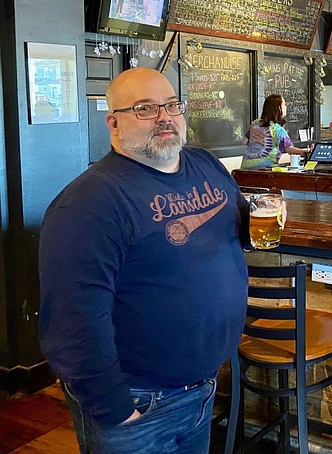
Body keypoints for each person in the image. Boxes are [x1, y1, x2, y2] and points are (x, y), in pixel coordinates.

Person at [38, 68, 250, 454]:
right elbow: (72, 321)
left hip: (202, 388)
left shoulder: (206, 165)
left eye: (171, 105)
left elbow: (236, 228)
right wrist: (117, 411)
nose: (164, 117)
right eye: (145, 109)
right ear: (113, 122)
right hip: (138, 405)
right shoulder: (88, 205)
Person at [241, 94, 308, 169]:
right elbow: (289, 149)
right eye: (284, 104)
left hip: (245, 167)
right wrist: (306, 153)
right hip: (263, 169)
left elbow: (244, 141)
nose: (286, 107)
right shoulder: (277, 130)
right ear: (279, 108)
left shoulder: (255, 123)